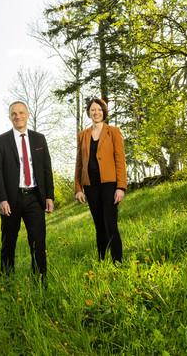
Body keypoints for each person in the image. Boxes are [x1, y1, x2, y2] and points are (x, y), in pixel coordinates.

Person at [0, 101, 55, 279]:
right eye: (14, 114)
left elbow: (46, 169)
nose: (17, 116)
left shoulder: (39, 139)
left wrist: (49, 196)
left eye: (21, 113)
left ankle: (40, 281)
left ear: (27, 114)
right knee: (8, 242)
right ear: (10, 117)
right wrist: (1, 199)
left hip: (35, 197)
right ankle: (7, 281)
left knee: (38, 242)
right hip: (11, 199)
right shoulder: (0, 141)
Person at [75, 97, 126, 263]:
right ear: (89, 113)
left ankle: (117, 261)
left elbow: (120, 160)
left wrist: (121, 187)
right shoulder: (82, 135)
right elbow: (79, 163)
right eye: (92, 110)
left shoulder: (114, 132)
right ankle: (102, 260)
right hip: (90, 185)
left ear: (104, 112)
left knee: (110, 224)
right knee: (99, 226)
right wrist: (78, 188)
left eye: (99, 109)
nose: (96, 113)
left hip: (110, 184)